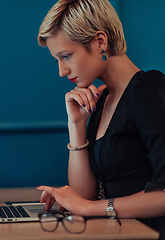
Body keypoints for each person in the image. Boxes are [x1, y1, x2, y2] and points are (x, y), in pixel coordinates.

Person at [35, 0, 165, 238]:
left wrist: (88, 208)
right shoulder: (102, 98)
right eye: (57, 60)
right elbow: (83, 195)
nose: (62, 71)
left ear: (100, 42)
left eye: (66, 56)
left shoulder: (148, 90)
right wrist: (76, 125)